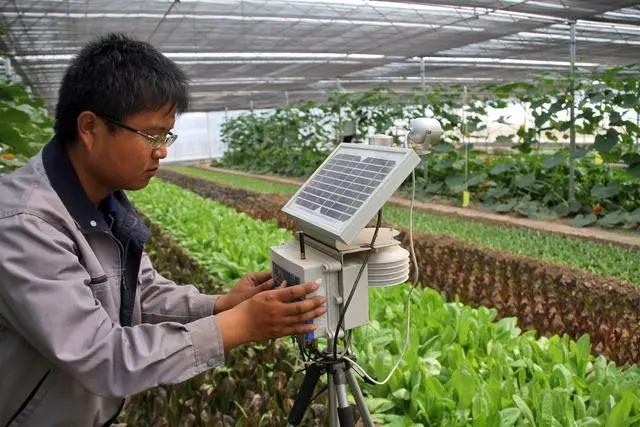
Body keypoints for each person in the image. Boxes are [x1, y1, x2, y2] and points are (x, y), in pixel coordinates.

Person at [0, 33, 326, 427]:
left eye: (166, 135)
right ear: (90, 127)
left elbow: (143, 291)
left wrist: (220, 305)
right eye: (151, 135)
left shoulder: (104, 199)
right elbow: (102, 356)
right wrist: (240, 324)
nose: (162, 150)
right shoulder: (23, 225)